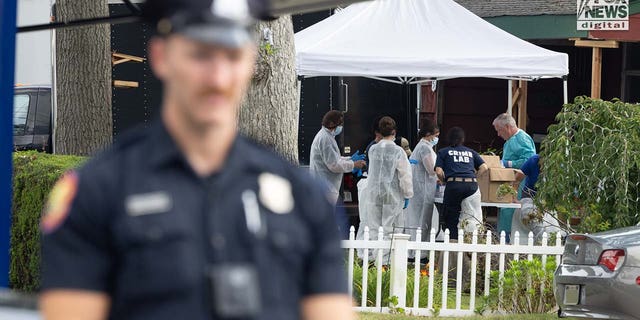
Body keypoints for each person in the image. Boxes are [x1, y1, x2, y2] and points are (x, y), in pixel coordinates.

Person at [39, 1, 354, 319]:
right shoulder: (97, 192)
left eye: (232, 57)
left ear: (249, 62)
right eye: (200, 55)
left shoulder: (304, 199)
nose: (217, 78)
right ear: (161, 57)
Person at [361, 116, 413, 261]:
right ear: (394, 132)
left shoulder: (372, 150)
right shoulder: (398, 151)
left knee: (374, 228)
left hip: (373, 195)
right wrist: (407, 194)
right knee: (391, 230)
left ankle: (373, 260)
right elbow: (405, 175)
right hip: (392, 195)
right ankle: (385, 262)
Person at [435, 127, 488, 240]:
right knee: (472, 217)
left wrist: (444, 180)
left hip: (454, 185)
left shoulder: (443, 151)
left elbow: (438, 171)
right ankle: (471, 242)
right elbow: (484, 167)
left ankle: (453, 243)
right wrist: (475, 178)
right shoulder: (470, 152)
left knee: (451, 217)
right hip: (471, 186)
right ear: (462, 139)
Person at [492, 113, 536, 241]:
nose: (498, 134)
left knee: (511, 214)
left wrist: (506, 163)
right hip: (510, 184)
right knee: (505, 212)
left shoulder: (522, 139)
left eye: (499, 130)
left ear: (507, 127)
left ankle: (508, 241)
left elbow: (530, 160)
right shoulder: (510, 141)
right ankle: (504, 239)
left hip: (519, 184)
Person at [310, 110, 366, 204]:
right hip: (325, 189)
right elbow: (334, 165)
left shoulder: (327, 136)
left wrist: (349, 159)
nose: (341, 127)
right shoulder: (325, 139)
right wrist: (353, 164)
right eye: (340, 124)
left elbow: (335, 158)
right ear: (332, 124)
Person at [406, 120, 439, 255]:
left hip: (421, 189)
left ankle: (416, 252)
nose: (436, 138)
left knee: (417, 222)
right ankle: (420, 254)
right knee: (422, 222)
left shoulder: (422, 147)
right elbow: (431, 170)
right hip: (423, 190)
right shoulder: (424, 148)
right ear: (428, 134)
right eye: (436, 135)